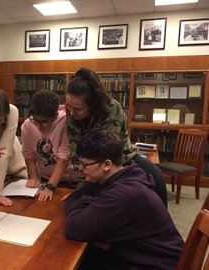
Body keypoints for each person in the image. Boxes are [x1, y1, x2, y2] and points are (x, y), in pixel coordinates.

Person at [64, 129, 184, 269]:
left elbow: (74, 227)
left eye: (85, 164)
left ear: (107, 165)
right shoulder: (118, 176)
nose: (80, 168)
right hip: (136, 257)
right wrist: (88, 202)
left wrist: (86, 202)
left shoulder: (123, 194)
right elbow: (76, 196)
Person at [65, 67, 167, 206]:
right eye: (68, 106)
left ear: (93, 104)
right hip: (99, 171)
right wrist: (82, 190)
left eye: (77, 109)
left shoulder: (112, 110)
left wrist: (85, 192)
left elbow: (102, 155)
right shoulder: (72, 110)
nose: (71, 113)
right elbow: (76, 152)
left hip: (124, 166)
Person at [21, 90, 76, 201]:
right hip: (45, 179)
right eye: (35, 120)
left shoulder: (65, 121)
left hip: (71, 180)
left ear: (55, 115)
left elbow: (64, 156)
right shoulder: (27, 125)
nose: (39, 127)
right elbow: (29, 154)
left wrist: (50, 187)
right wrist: (33, 178)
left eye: (44, 122)